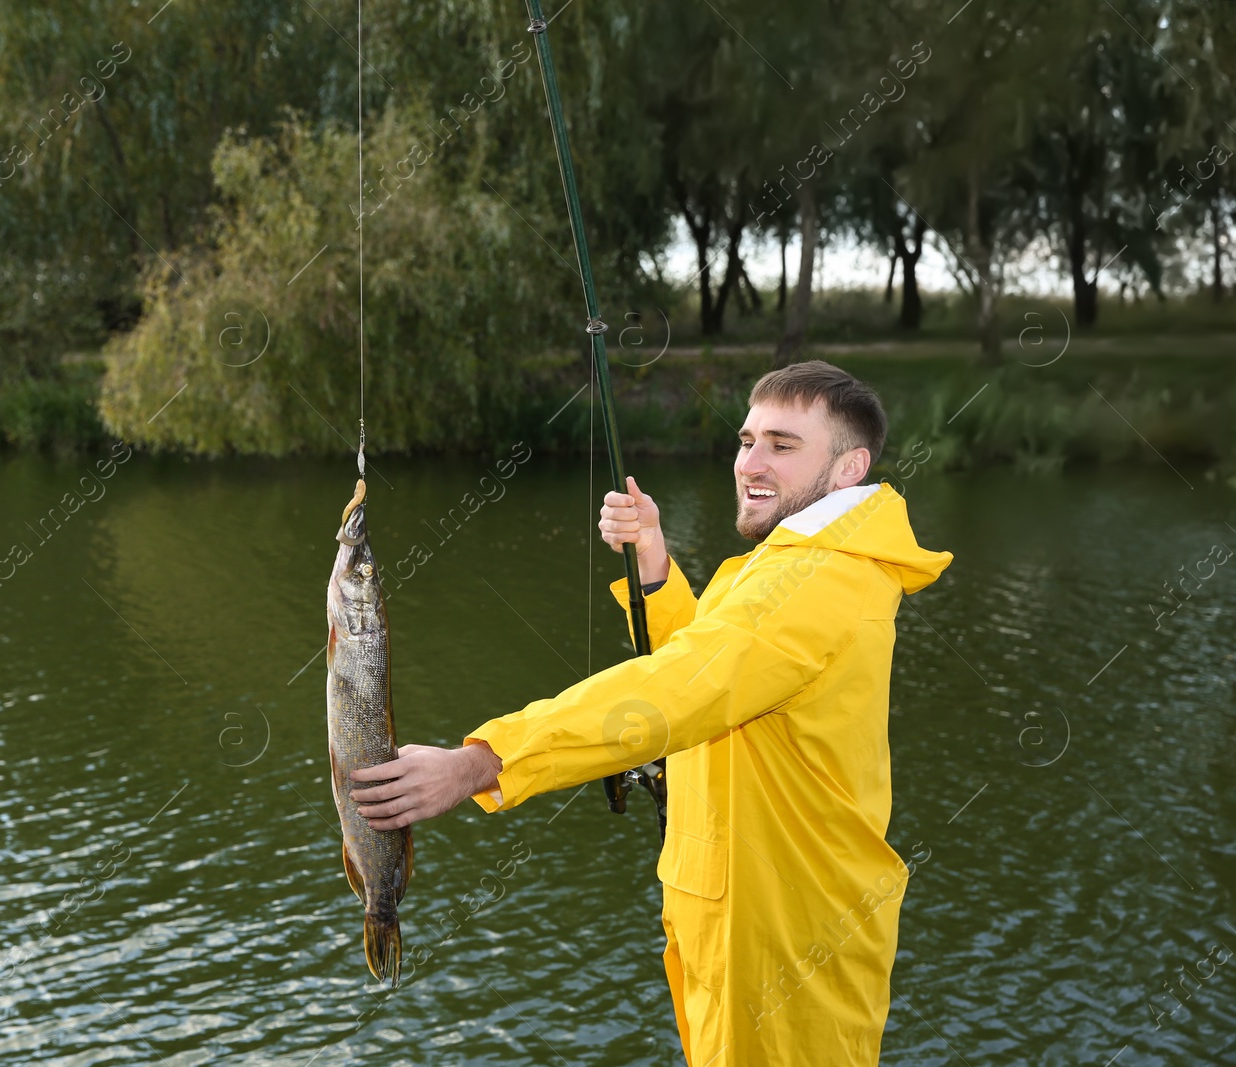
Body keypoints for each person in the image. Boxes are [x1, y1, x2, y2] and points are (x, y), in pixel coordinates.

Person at [348, 360, 953, 1066]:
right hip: (738, 919)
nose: (749, 462)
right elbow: (717, 671)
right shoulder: (806, 557)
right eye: (746, 438)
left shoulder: (816, 582)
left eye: (783, 446)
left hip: (783, 940)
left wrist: (488, 759)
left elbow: (680, 689)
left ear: (850, 466)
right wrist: (656, 567)